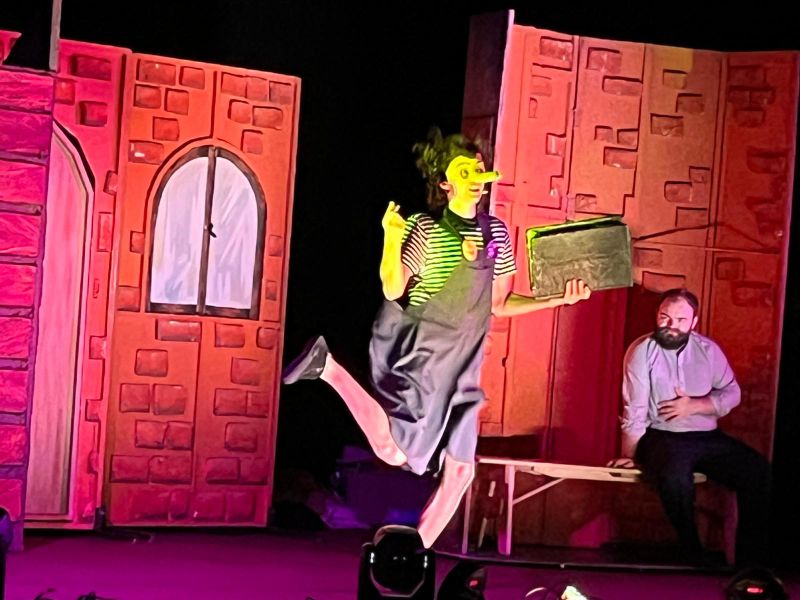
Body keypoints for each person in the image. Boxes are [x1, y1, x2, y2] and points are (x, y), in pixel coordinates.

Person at [283, 129, 590, 547]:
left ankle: (410, 557)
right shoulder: (428, 230)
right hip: (426, 352)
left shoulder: (497, 234)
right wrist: (392, 237)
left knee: (461, 472)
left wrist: (558, 299)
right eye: (465, 171)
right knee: (394, 452)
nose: (476, 177)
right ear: (445, 183)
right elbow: (394, 287)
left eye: (480, 169)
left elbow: (499, 303)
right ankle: (329, 369)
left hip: (466, 362)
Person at [608, 288, 771, 566]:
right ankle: (692, 552)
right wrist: (629, 454)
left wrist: (696, 405)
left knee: (758, 472)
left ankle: (748, 563)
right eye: (665, 317)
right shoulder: (642, 351)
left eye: (681, 320)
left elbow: (732, 393)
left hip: (706, 436)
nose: (671, 326)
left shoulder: (709, 351)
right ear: (657, 316)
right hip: (662, 436)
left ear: (694, 322)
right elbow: (634, 406)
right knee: (675, 477)